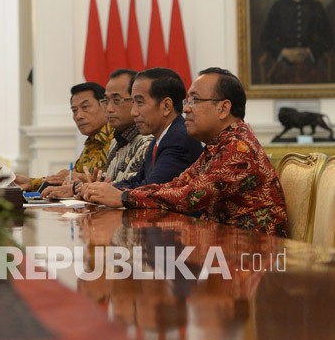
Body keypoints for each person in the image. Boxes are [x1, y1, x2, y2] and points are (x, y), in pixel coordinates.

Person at [82, 68, 288, 237]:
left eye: (195, 101)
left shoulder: (239, 149)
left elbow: (189, 196)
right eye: (188, 101)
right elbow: (178, 184)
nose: (186, 109)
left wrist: (124, 197)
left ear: (224, 108)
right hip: (223, 248)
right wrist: (118, 194)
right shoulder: (219, 145)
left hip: (253, 258)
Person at [67, 68, 202, 201]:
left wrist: (113, 193)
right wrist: (99, 189)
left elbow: (152, 190)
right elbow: (137, 180)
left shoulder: (178, 138)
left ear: (166, 106)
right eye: (133, 102)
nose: (134, 112)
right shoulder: (160, 137)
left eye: (140, 102)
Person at [16, 82, 114, 194]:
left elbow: (116, 181)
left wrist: (75, 177)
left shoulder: (116, 138)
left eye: (85, 107)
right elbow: (70, 179)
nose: (78, 116)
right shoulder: (91, 142)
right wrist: (31, 183)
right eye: (74, 110)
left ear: (104, 105)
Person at [260, 0, 335, 84]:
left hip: (311, 64)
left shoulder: (316, 7)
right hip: (283, 64)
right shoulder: (278, 6)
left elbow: (329, 38)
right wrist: (283, 52)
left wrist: (309, 51)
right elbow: (265, 39)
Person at [99, 69, 152, 183]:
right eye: (106, 101)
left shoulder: (147, 141)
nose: (109, 109)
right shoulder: (116, 140)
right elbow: (108, 179)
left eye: (117, 100)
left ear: (135, 100)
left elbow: (132, 188)